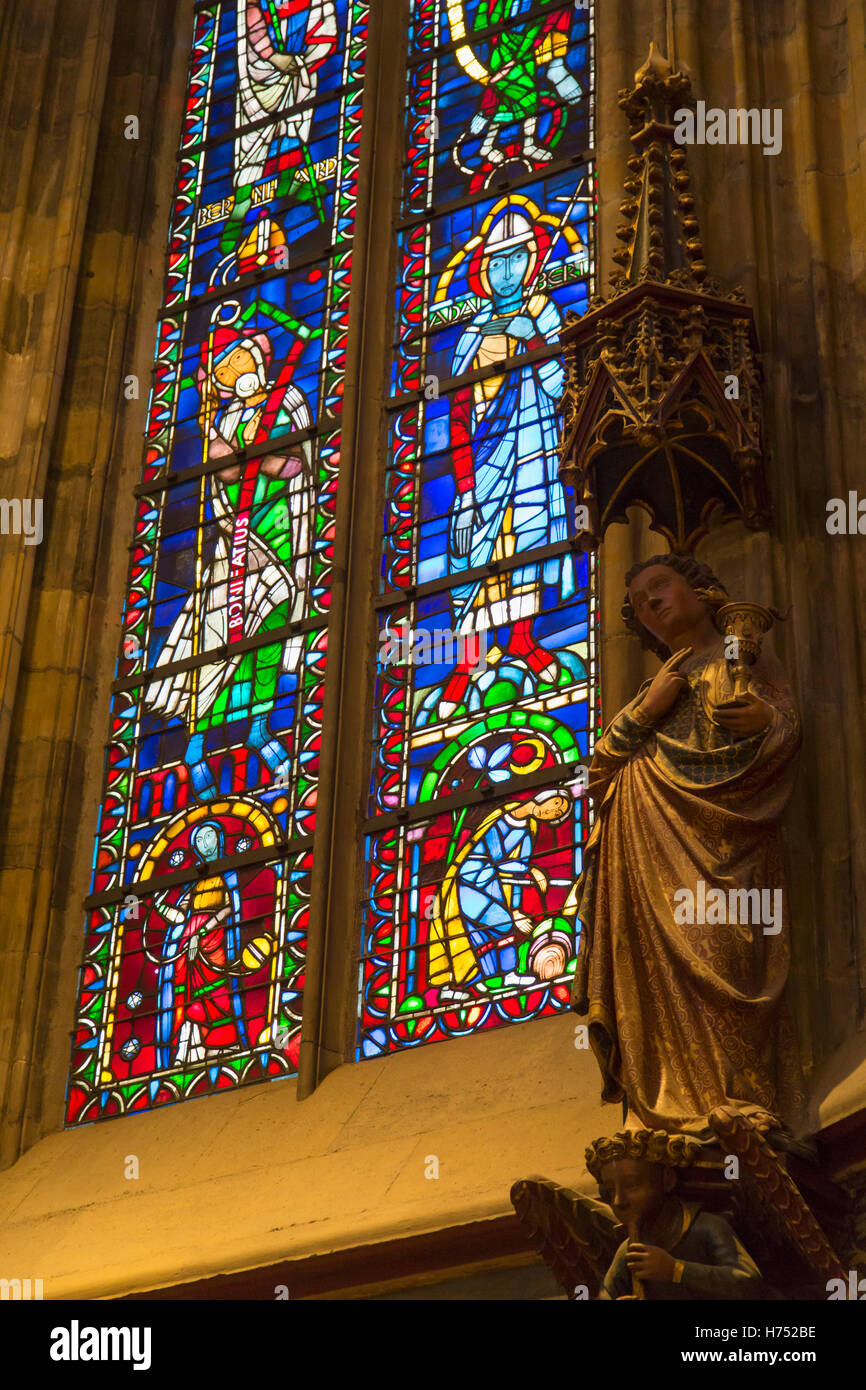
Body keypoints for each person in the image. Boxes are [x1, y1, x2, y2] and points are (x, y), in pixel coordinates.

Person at [568, 554, 805, 1138]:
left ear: (702, 591)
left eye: (660, 586)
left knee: (720, 950)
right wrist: (645, 711)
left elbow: (785, 722)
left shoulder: (737, 657)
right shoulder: (655, 686)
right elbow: (599, 771)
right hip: (646, 847)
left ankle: (737, 1096)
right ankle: (666, 1110)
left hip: (723, 843)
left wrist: (768, 723)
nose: (650, 603)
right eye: (639, 602)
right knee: (655, 973)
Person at [145, 323, 312, 799]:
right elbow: (227, 466)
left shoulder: (289, 402)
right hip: (239, 541)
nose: (235, 372)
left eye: (240, 359)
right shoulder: (223, 422)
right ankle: (196, 744)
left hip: (282, 531)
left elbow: (294, 463)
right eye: (224, 368)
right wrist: (241, 452)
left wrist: (265, 451)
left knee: (270, 631)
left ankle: (259, 729)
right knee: (219, 639)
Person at [439, 203, 576, 717]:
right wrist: (467, 486)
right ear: (482, 273)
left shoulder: (542, 313)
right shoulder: (471, 333)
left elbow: (565, 390)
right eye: (495, 263)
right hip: (482, 462)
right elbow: (457, 414)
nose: (505, 271)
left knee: (529, 538)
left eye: (515, 259)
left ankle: (522, 639)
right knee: (474, 551)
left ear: (531, 260)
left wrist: (533, 341)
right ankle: (467, 660)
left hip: (533, 454)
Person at [428, 788, 571, 1001]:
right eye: (555, 805)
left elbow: (512, 878)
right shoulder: (502, 818)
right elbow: (496, 858)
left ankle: (487, 979)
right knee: (498, 926)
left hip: (491, 884)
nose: (552, 813)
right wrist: (530, 871)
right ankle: (502, 976)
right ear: (544, 797)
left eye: (557, 814)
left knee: (484, 932)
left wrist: (515, 909)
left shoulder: (527, 831)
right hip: (470, 880)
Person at [588, 1132, 768, 1300]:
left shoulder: (706, 1227)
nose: (618, 1201)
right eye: (610, 1191)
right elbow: (606, 1295)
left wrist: (675, 1270)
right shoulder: (630, 1249)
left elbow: (748, 1283)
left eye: (632, 1185)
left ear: (667, 1179)